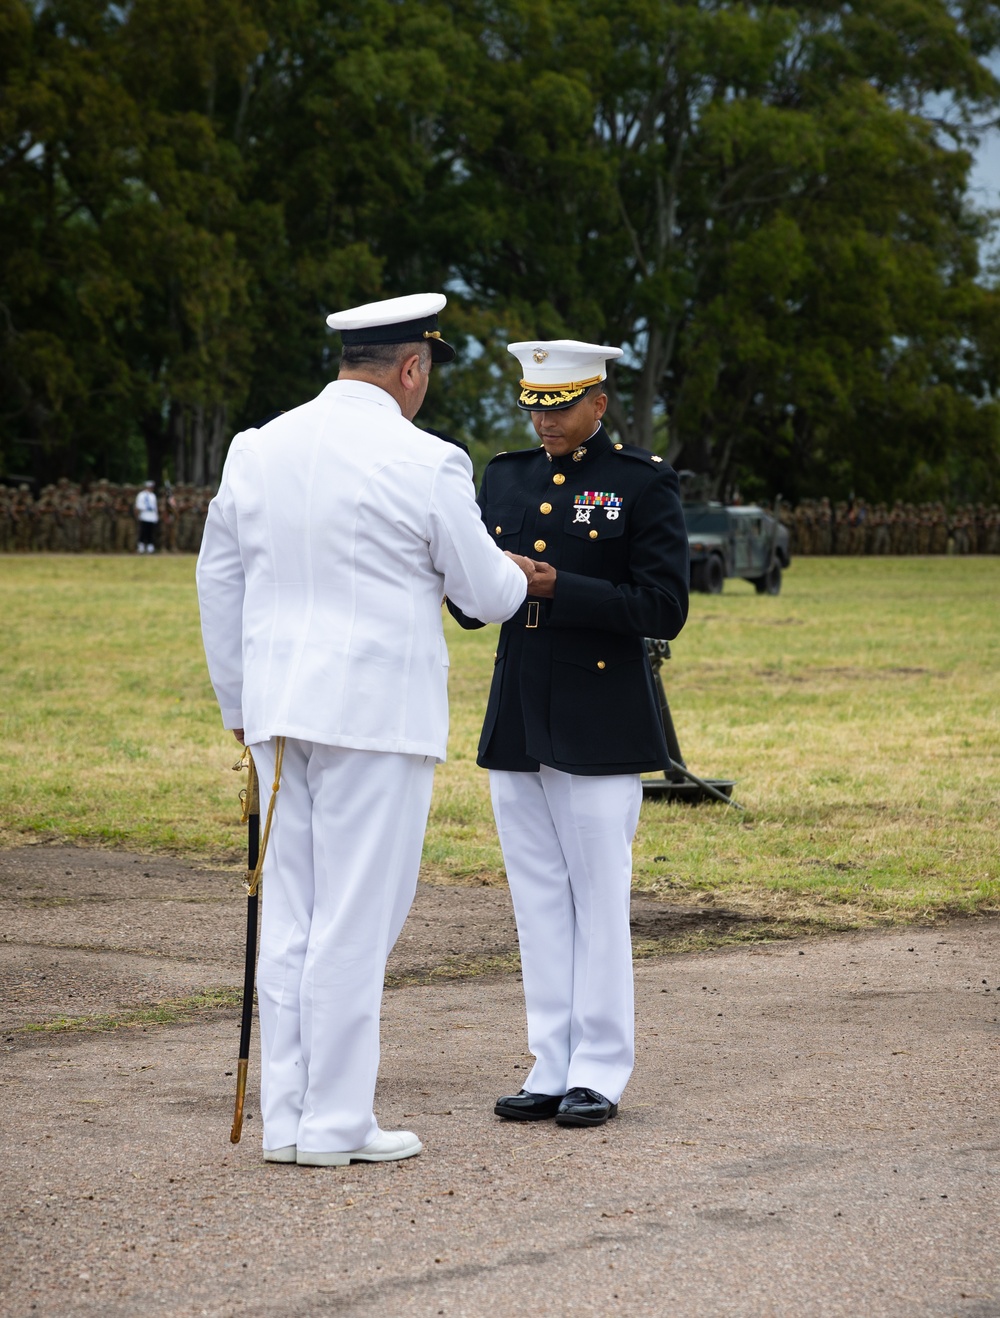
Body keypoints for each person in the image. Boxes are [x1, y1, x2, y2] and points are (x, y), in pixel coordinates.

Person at [196, 293, 534, 1167]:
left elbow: (218, 582)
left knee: (294, 917)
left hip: (278, 713)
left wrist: (241, 704)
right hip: (377, 718)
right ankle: (337, 1123)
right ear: (412, 368)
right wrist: (518, 573)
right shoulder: (426, 460)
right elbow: (485, 595)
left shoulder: (256, 448)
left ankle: (289, 1118)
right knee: (354, 919)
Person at [449, 339, 689, 1127]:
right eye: (535, 405)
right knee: (537, 900)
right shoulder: (504, 475)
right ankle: (550, 1061)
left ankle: (601, 1069)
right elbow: (472, 591)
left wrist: (565, 588)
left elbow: (662, 608)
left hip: (600, 712)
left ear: (598, 403)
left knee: (598, 896)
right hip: (520, 707)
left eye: (559, 405)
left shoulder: (640, 484)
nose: (544, 420)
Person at [134, 480, 159, 553]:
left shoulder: (153, 495)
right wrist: (138, 515)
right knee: (143, 532)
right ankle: (141, 547)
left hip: (152, 517)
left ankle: (150, 547)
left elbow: (155, 507)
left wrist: (156, 516)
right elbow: (138, 506)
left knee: (150, 532)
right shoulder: (141, 495)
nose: (151, 488)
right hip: (144, 515)